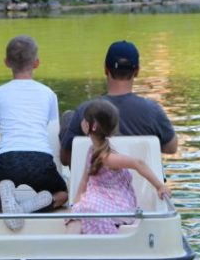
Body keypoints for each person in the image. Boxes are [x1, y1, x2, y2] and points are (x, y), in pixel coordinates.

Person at [0, 35, 68, 220]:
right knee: (62, 194)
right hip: (40, 158)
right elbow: (45, 128)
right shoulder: (48, 94)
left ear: (6, 62)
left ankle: (6, 202)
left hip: (7, 158)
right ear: (36, 63)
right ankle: (34, 205)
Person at [59, 40, 178, 167]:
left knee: (68, 117)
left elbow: (65, 159)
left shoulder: (85, 110)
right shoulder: (153, 111)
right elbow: (171, 148)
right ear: (137, 71)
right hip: (143, 185)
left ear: (105, 69)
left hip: (96, 186)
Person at [66, 100, 170, 234]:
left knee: (85, 209)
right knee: (77, 213)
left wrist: (160, 186)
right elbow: (84, 183)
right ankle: (67, 246)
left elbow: (138, 163)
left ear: (90, 126)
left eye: (84, 119)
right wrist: (74, 206)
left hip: (118, 206)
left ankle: (99, 240)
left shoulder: (107, 158)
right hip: (99, 199)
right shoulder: (92, 151)